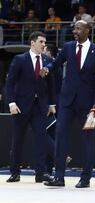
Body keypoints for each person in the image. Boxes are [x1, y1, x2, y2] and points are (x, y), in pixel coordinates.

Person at [42, 20, 95, 188]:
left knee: (88, 141)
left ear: (87, 30)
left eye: (78, 28)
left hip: (89, 105)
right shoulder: (68, 47)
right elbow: (55, 63)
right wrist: (47, 68)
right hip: (67, 101)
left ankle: (86, 178)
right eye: (74, 28)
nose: (75, 31)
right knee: (61, 137)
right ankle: (59, 177)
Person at [5, 31, 55, 183]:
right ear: (33, 42)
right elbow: (10, 83)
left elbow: (51, 85)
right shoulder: (20, 59)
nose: (44, 45)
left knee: (40, 139)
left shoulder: (47, 60)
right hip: (20, 106)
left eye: (44, 42)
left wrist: (52, 104)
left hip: (39, 106)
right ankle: (15, 172)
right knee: (18, 140)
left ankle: (41, 172)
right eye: (41, 41)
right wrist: (11, 103)